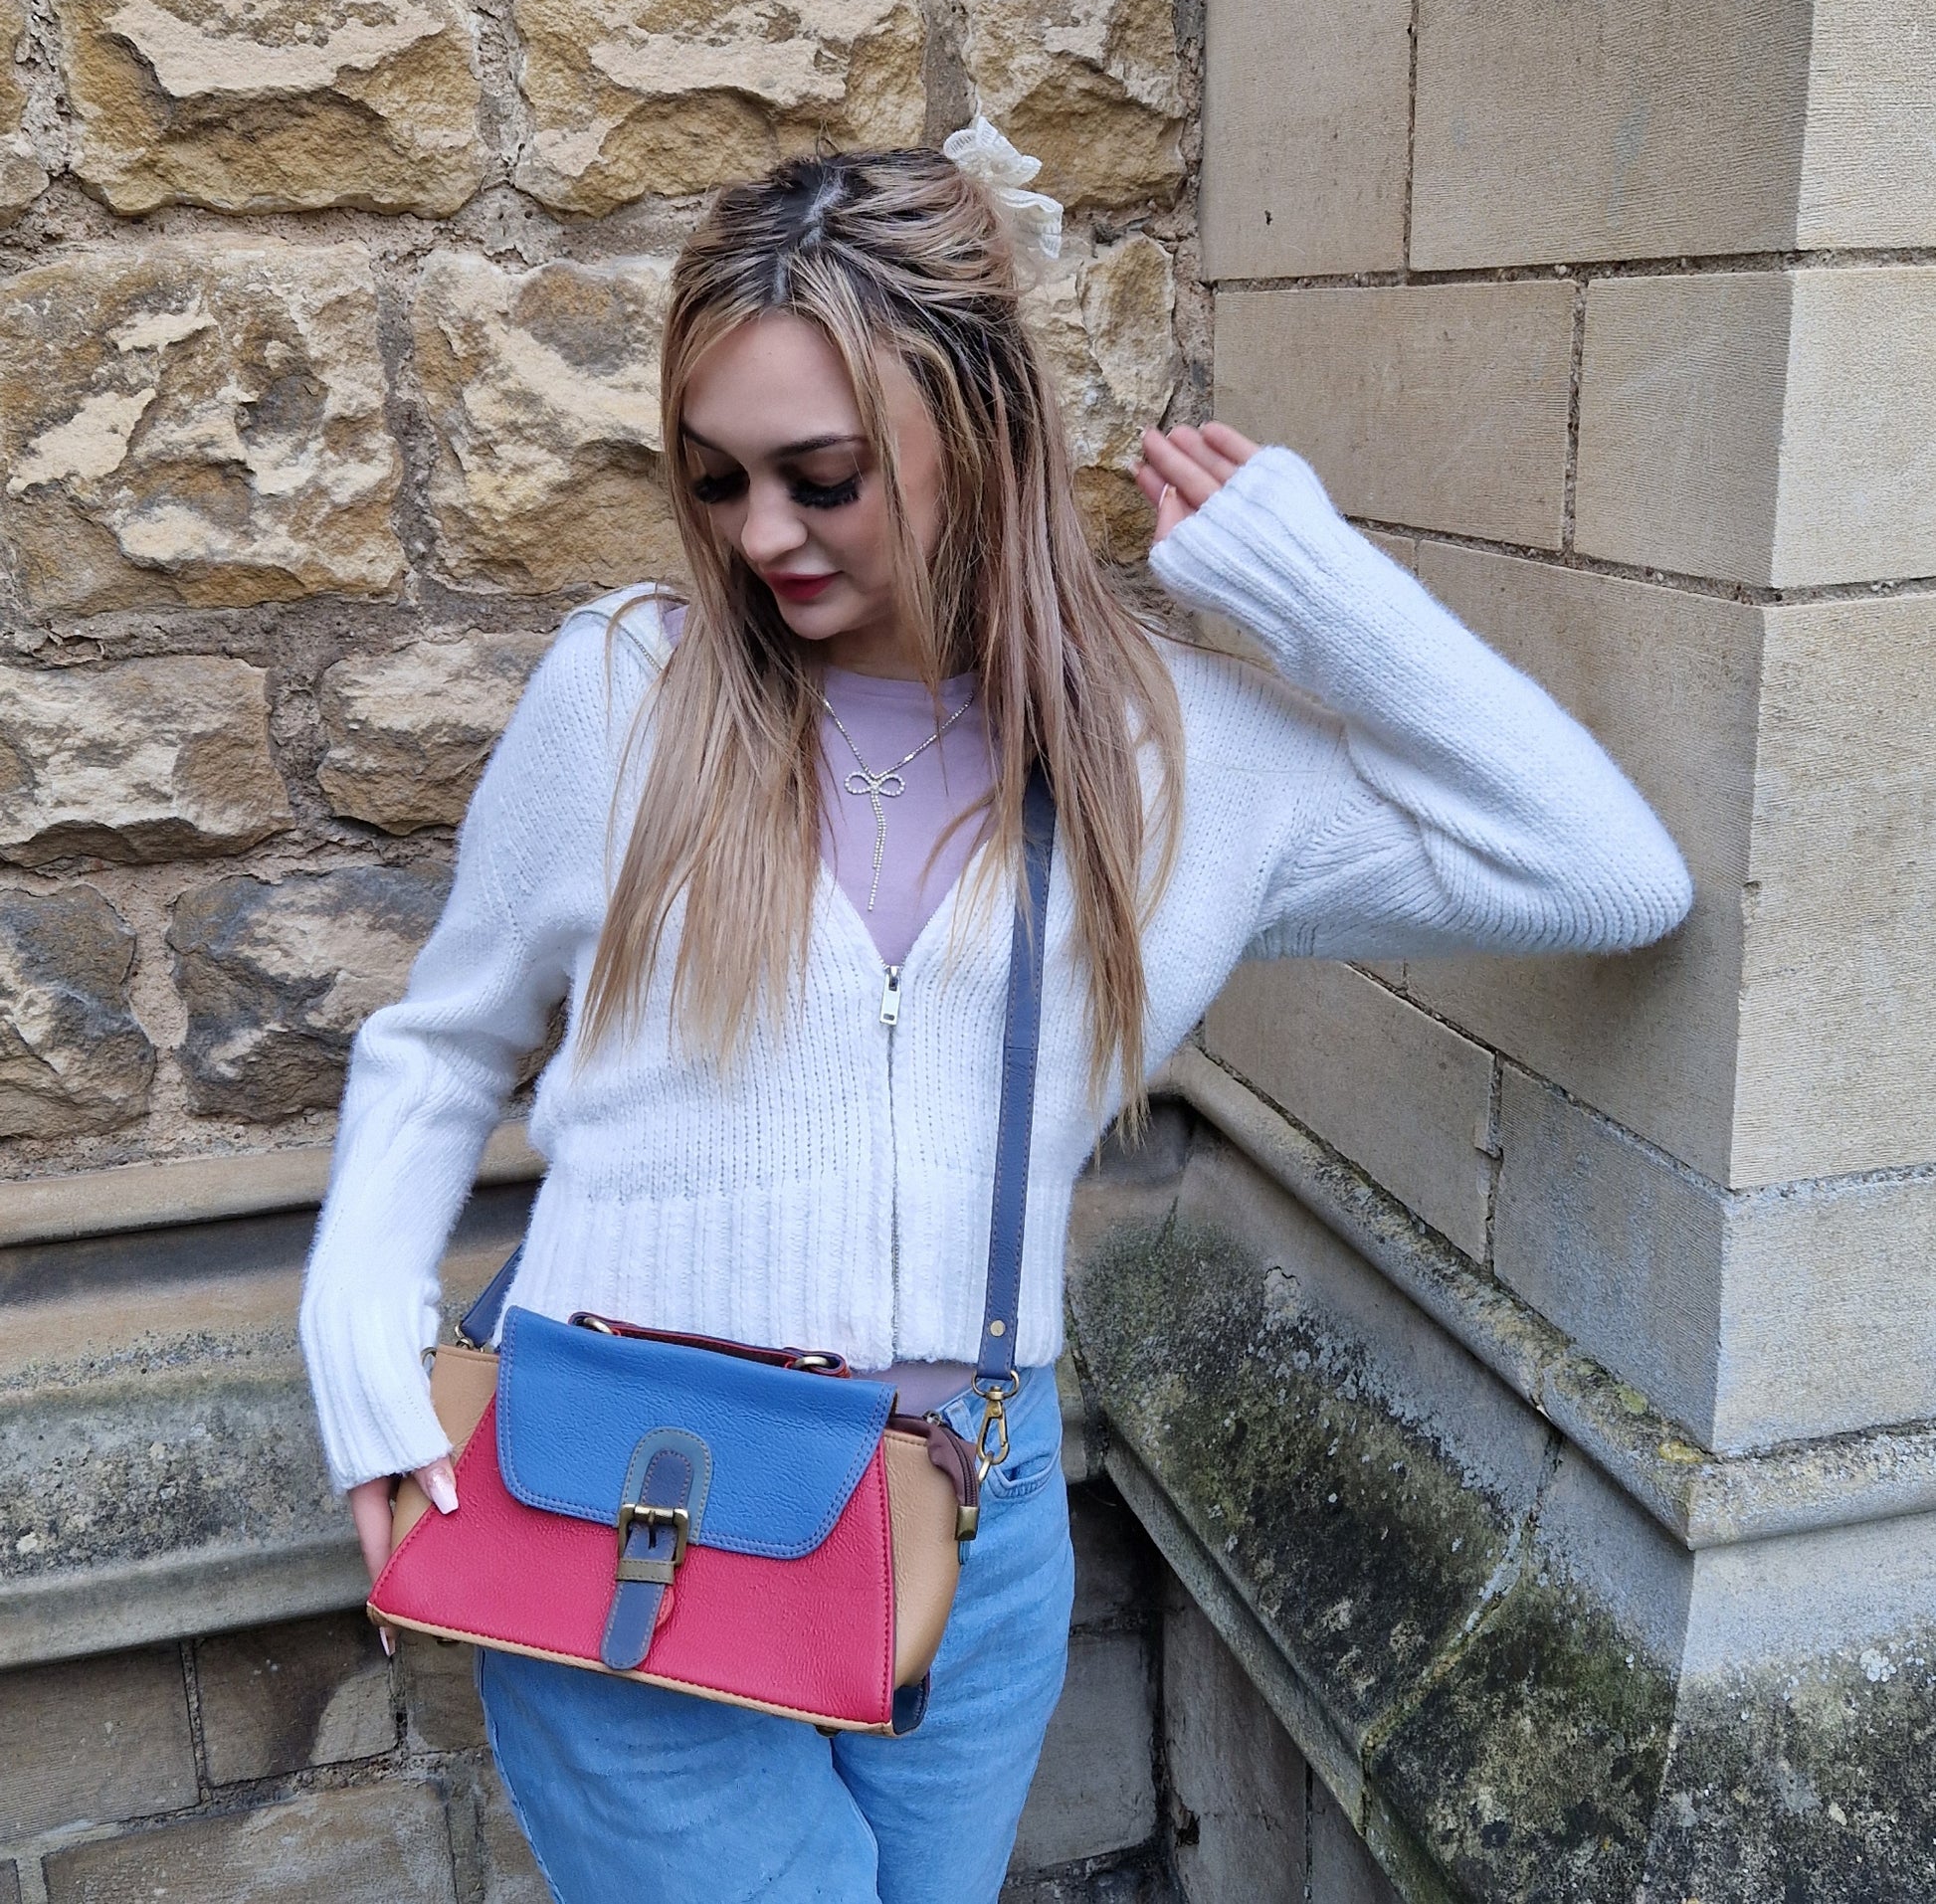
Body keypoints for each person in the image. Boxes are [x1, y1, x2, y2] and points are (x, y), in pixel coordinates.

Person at [298, 140, 1692, 1902]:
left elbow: (1598, 871)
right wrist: (365, 1355)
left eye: (821, 477)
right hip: (623, 1492)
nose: (761, 536)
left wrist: (1312, 592)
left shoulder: (1173, 757)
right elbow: (438, 1044)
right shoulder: (628, 693)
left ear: (979, 435)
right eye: (717, 479)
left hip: (966, 1507)